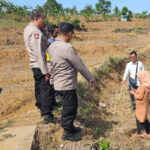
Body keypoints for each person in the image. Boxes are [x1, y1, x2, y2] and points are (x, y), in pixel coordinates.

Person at [47, 22, 97, 141]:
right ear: (69, 34)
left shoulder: (51, 46)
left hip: (58, 84)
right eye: (72, 35)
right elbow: (80, 66)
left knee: (69, 106)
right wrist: (91, 78)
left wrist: (52, 79)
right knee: (70, 108)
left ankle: (71, 127)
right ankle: (67, 133)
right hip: (67, 84)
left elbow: (49, 64)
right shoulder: (67, 48)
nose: (71, 37)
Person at [24, 9, 58, 124]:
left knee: (38, 88)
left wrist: (45, 32)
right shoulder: (35, 32)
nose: (44, 21)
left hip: (35, 65)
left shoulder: (29, 29)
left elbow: (45, 42)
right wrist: (45, 71)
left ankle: (41, 108)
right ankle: (47, 115)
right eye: (43, 18)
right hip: (39, 65)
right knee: (46, 90)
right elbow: (39, 53)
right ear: (37, 18)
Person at [130, 71, 150, 138]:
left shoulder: (142, 86)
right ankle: (148, 132)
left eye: (139, 77)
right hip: (144, 105)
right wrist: (137, 91)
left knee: (139, 118)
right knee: (144, 118)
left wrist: (133, 93)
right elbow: (142, 94)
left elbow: (139, 97)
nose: (138, 79)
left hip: (141, 105)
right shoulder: (146, 85)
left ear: (143, 77)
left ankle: (140, 133)